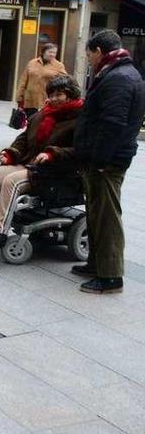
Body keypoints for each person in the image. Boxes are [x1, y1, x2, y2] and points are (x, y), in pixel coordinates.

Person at [0, 75, 84, 246]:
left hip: (54, 171)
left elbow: (79, 151)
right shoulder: (43, 114)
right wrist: (10, 154)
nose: (53, 99)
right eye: (51, 95)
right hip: (31, 165)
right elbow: (24, 138)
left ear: (70, 94)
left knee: (11, 181)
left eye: (59, 95)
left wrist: (52, 154)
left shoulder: (80, 118)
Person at [73, 29, 145, 294]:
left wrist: (101, 160)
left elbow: (113, 124)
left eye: (89, 54)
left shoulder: (117, 78)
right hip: (104, 158)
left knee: (106, 217)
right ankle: (96, 264)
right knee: (96, 213)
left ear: (99, 52)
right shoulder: (122, 73)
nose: (89, 60)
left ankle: (111, 276)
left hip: (107, 161)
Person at [16, 43, 67, 117]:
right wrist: (19, 97)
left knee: (42, 124)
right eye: (50, 52)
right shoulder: (32, 63)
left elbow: (64, 81)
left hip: (47, 100)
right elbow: (23, 81)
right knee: (30, 123)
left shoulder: (59, 66)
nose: (52, 54)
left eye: (54, 52)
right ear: (43, 52)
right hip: (31, 100)